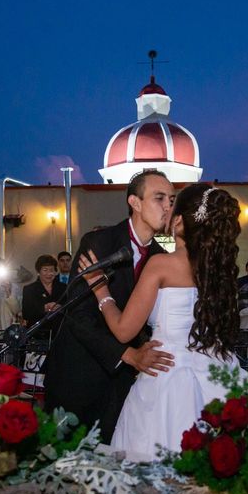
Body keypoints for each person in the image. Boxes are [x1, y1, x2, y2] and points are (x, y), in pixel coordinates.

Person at [77, 183, 246, 461]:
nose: (167, 208)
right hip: (219, 370)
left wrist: (100, 290)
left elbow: (123, 331)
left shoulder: (161, 265)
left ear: (179, 222)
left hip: (168, 374)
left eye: (172, 205)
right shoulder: (221, 270)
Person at [43, 169, 176, 444]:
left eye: (171, 200)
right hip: (79, 374)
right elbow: (78, 315)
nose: (168, 207)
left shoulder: (163, 256)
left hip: (124, 383)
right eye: (159, 198)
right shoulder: (99, 243)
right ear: (135, 203)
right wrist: (127, 354)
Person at [21, 254, 67, 339]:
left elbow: (70, 308)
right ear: (38, 272)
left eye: (52, 270)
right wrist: (44, 308)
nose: (49, 273)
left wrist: (61, 308)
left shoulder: (63, 287)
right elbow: (26, 313)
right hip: (38, 334)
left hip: (60, 334)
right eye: (45, 270)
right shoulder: (30, 289)